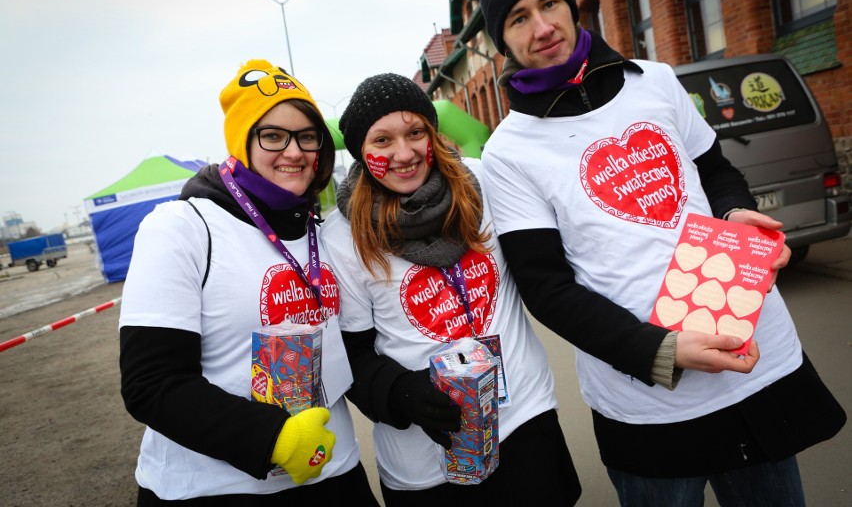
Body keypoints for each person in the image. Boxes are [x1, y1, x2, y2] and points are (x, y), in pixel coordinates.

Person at [477, 0, 846, 507]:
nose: (542, 26)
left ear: (572, 6)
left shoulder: (654, 81)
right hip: (647, 395)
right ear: (502, 41)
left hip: (745, 342)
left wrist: (733, 212)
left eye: (549, 3)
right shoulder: (509, 151)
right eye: (518, 18)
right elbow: (546, 288)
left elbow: (716, 170)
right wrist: (658, 349)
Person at [119, 59, 380, 506]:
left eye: (307, 136)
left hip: (334, 472)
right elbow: (152, 383)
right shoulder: (183, 227)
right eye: (273, 135)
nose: (294, 151)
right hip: (216, 488)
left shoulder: (324, 232)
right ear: (242, 143)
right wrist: (273, 438)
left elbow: (350, 352)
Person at [319, 72, 582, 506]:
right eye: (382, 141)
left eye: (415, 132)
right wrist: (403, 394)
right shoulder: (342, 235)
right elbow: (351, 354)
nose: (404, 154)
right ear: (362, 153)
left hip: (524, 422)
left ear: (432, 135)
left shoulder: (484, 185)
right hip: (428, 457)